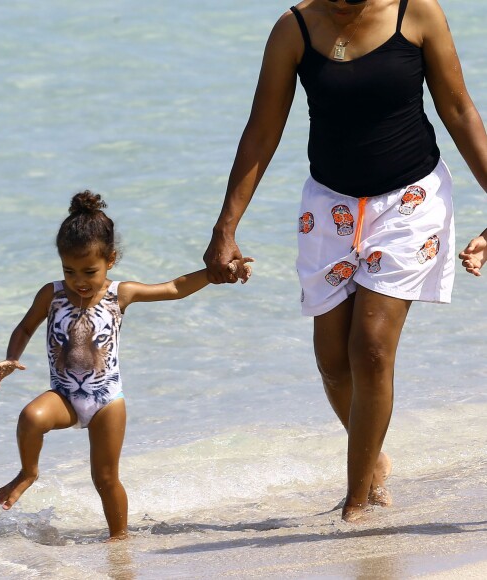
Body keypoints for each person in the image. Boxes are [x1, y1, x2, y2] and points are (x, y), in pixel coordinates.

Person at [203, 0, 487, 523]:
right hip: (329, 204)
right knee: (333, 362)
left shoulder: (418, 15)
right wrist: (226, 227)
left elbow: (459, 111)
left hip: (410, 200)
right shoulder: (293, 28)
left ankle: (357, 500)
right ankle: (373, 459)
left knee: (372, 347)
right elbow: (262, 131)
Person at [0, 190, 253, 540]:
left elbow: (174, 288)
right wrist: (12, 357)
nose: (79, 281)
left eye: (89, 271)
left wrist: (217, 273)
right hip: (65, 396)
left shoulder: (120, 294)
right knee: (30, 417)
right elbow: (25, 327)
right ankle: (28, 472)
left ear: (110, 259)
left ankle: (120, 539)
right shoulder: (51, 294)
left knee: (104, 478)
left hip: (107, 401)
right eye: (69, 271)